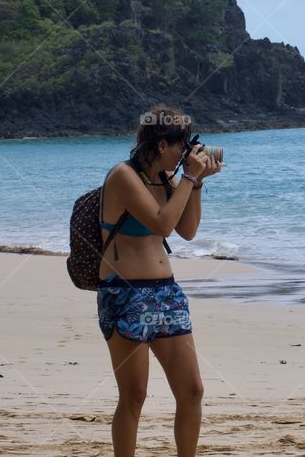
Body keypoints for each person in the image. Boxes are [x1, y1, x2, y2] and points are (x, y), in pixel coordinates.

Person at [97, 104, 222, 457]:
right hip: (125, 295)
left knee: (192, 390)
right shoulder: (123, 176)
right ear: (162, 143)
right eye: (183, 145)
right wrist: (189, 178)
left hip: (166, 294)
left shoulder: (168, 179)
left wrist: (194, 184)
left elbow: (187, 231)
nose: (187, 154)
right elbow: (162, 223)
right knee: (134, 395)